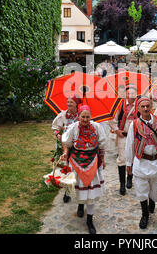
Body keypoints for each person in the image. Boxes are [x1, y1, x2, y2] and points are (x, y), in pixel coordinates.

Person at [125, 96, 157, 229]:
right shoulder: (134, 125)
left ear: (151, 107)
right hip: (140, 162)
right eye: (143, 106)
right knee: (141, 190)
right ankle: (144, 214)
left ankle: (152, 202)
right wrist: (128, 164)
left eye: (148, 106)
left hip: (156, 162)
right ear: (139, 109)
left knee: (155, 190)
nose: (146, 108)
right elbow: (129, 144)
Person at [60, 105, 107, 234]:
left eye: (87, 117)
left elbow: (102, 145)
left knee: (91, 191)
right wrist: (65, 153)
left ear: (90, 117)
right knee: (80, 188)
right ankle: (80, 205)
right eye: (82, 116)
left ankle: (89, 220)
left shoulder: (97, 127)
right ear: (79, 116)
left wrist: (102, 160)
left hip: (92, 161)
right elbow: (67, 144)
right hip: (76, 162)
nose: (85, 119)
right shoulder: (73, 128)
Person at [109, 84, 138, 195]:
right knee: (122, 159)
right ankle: (122, 184)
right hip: (123, 136)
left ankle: (130, 178)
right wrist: (116, 130)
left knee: (134, 157)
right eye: (129, 93)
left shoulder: (140, 105)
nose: (131, 95)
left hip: (136, 136)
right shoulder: (119, 105)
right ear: (126, 94)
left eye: (133, 93)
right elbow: (112, 119)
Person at [52, 95, 81, 203]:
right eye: (68, 102)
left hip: (78, 145)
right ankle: (67, 191)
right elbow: (55, 127)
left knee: (77, 167)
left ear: (76, 104)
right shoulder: (63, 115)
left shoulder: (80, 115)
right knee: (67, 167)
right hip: (65, 145)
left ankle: (79, 187)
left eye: (71, 102)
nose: (69, 104)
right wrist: (58, 135)